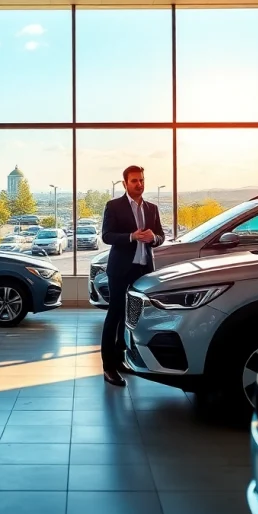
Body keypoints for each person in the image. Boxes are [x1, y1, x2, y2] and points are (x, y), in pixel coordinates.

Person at [99, 165, 165, 387]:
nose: (139, 184)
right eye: (135, 181)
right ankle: (109, 367)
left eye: (142, 180)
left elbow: (161, 236)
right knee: (115, 315)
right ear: (125, 183)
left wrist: (153, 238)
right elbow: (107, 236)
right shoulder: (114, 206)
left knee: (132, 318)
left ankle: (121, 359)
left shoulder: (152, 208)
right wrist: (131, 236)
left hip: (143, 269)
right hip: (120, 269)